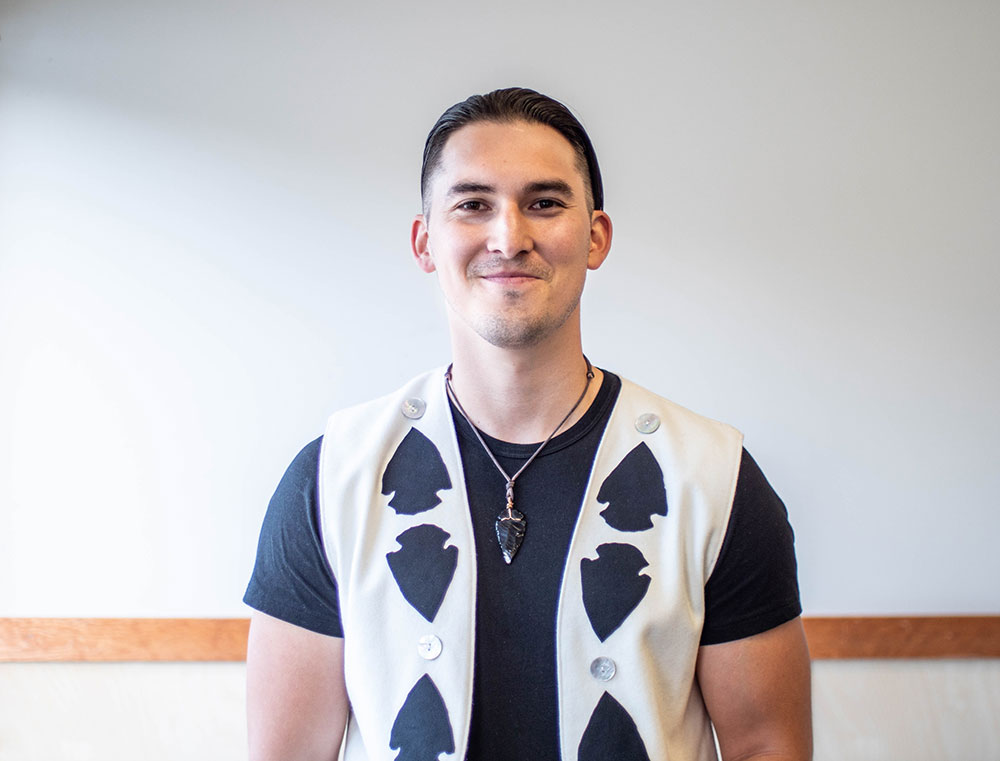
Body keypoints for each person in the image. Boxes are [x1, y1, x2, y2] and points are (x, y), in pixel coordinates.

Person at [245, 87, 812, 761]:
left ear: (595, 236)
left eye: (544, 203)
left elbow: (766, 746)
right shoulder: (331, 480)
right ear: (426, 242)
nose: (509, 236)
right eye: (473, 204)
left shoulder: (712, 478)